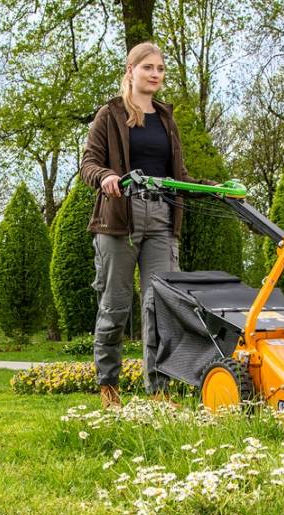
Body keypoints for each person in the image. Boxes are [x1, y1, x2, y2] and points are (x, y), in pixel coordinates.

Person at [80, 42, 212, 408]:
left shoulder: (166, 118)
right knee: (115, 306)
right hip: (119, 220)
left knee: (161, 308)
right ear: (131, 71)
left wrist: (215, 189)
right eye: (148, 67)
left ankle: (159, 391)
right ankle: (109, 387)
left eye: (160, 69)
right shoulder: (110, 114)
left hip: (161, 220)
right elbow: (88, 163)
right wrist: (106, 176)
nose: (155, 74)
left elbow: (179, 176)